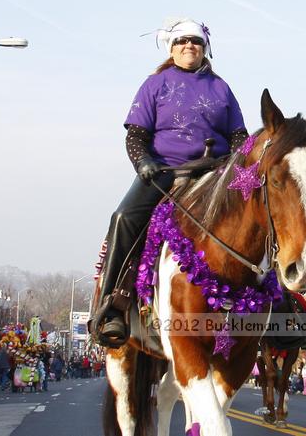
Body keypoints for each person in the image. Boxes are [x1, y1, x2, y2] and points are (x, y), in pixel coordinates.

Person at [91, 18, 248, 347]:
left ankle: (259, 307)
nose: (189, 46)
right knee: (122, 218)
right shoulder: (155, 84)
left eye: (195, 41)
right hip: (163, 172)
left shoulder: (222, 88)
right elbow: (136, 135)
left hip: (213, 174)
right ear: (171, 48)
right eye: (182, 41)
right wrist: (143, 162)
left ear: (205, 48)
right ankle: (113, 308)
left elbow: (239, 138)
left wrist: (238, 171)